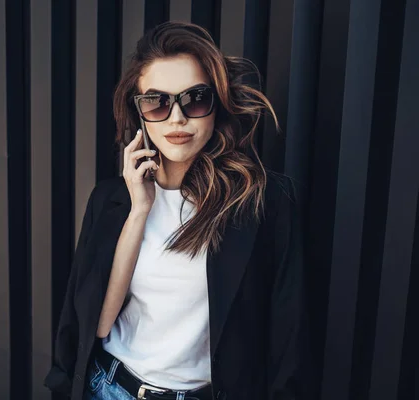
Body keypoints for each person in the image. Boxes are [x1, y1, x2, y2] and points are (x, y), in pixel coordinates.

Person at [44, 21, 310, 400]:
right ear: (138, 112)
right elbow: (99, 325)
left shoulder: (263, 202)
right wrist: (139, 211)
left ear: (217, 105)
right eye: (157, 102)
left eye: (195, 98)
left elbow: (288, 335)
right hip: (111, 388)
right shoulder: (111, 200)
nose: (177, 118)